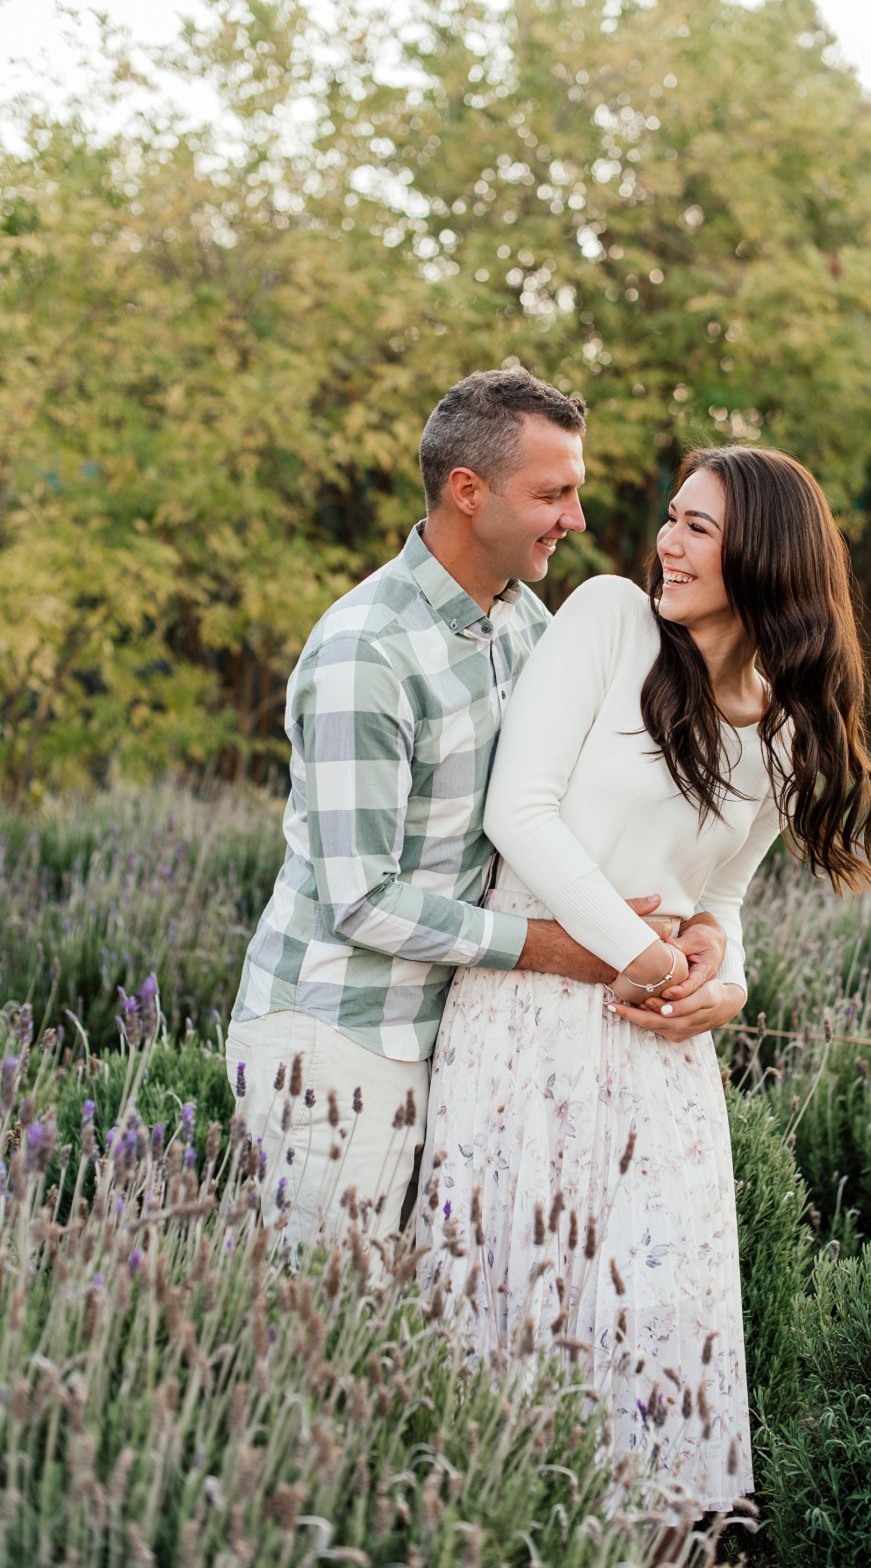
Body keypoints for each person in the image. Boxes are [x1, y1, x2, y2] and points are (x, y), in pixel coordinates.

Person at [417, 445, 871, 1522]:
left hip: (659, 1056)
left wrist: (726, 977)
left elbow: (720, 896)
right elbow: (517, 814)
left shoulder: (782, 730)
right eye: (672, 518)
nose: (667, 541)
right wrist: (647, 954)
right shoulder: (610, 618)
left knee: (647, 1318)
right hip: (528, 1028)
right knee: (515, 1307)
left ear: (765, 556)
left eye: (700, 527)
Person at [225, 369, 731, 1254]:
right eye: (553, 493)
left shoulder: (529, 625)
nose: (575, 518)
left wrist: (706, 941)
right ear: (468, 492)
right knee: (321, 1335)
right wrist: (560, 950)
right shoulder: (364, 654)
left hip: (465, 1046)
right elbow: (361, 897)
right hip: (341, 1041)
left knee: (430, 1335)